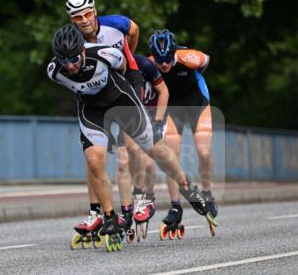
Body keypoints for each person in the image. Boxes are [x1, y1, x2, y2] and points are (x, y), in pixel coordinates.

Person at [47, 25, 210, 251]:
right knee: (94, 161)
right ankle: (110, 217)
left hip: (120, 100)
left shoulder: (104, 54)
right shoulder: (54, 71)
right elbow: (75, 83)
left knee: (155, 150)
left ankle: (185, 185)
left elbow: (127, 70)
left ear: (83, 50)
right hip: (91, 110)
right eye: (64, 61)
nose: (71, 66)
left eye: (74, 58)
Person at [65, 0, 146, 234]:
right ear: (72, 20)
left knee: (130, 149)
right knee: (95, 158)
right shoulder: (73, 39)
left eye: (88, 13)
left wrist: (127, 54)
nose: (84, 20)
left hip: (125, 79)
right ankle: (96, 213)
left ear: (95, 10)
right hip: (96, 93)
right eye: (77, 17)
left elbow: (134, 30)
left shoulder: (116, 24)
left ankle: (140, 198)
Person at [147, 29, 218, 230]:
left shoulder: (188, 57)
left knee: (203, 151)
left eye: (168, 59)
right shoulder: (149, 63)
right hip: (173, 108)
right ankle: (175, 206)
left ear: (174, 53)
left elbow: (206, 61)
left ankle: (207, 193)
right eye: (159, 61)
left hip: (197, 104)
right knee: (171, 154)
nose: (164, 65)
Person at [130, 52, 170, 235]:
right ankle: (137, 195)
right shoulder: (126, 65)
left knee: (148, 159)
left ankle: (149, 196)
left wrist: (158, 122)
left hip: (154, 115)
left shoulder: (148, 66)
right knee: (132, 157)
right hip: (136, 114)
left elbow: (164, 92)